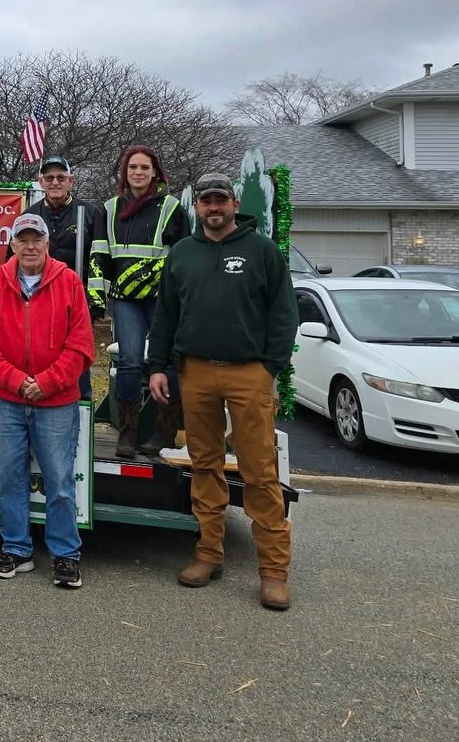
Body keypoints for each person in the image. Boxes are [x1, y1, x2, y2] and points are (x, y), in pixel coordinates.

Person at [145, 173, 296, 611]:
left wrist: (270, 368)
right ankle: (208, 554)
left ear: (233, 205)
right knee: (205, 464)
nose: (213, 208)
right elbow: (166, 315)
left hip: (248, 373)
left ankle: (273, 572)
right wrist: (158, 366)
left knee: (258, 470)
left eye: (220, 201)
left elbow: (283, 313)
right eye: (206, 201)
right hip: (195, 373)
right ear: (198, 207)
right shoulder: (183, 254)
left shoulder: (261, 250)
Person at [0, 213, 95, 589]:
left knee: (59, 480)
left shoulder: (69, 282)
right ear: (12, 244)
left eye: (36, 239)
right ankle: (16, 550)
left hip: (56, 400)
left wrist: (47, 382)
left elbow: (82, 345)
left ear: (46, 244)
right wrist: (13, 379)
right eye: (22, 239)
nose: (29, 246)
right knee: (10, 477)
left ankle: (65, 555)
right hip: (7, 399)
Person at [89, 145, 189, 458]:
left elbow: (183, 257)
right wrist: (96, 298)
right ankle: (127, 436)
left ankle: (163, 433)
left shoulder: (171, 208)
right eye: (133, 167)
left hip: (161, 300)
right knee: (129, 362)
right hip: (125, 300)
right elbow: (100, 255)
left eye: (145, 168)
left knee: (168, 362)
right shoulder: (109, 208)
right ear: (125, 172)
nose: (138, 173)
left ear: (155, 172)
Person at [25, 156, 106, 402]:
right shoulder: (31, 215)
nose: (55, 182)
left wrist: (95, 303)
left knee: (76, 356)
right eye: (49, 178)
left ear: (70, 180)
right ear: (41, 182)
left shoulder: (91, 213)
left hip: (77, 298)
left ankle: (81, 406)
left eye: (61, 177)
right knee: (43, 353)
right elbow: (18, 259)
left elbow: (100, 260)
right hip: (41, 299)